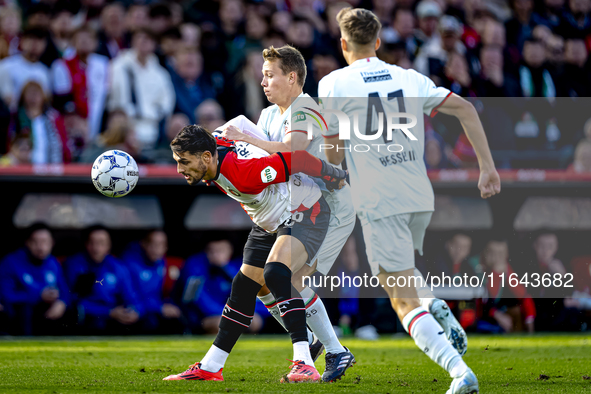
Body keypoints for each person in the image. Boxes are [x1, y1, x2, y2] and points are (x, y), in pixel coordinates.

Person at [319, 8, 501, 393]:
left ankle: (458, 372)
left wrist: (333, 177)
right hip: (418, 195)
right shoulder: (409, 77)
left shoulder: (334, 84)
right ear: (379, 42)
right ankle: (433, 303)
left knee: (399, 297)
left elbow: (333, 149)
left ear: (343, 44)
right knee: (403, 271)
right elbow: (466, 109)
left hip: (379, 198)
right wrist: (487, 169)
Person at [163, 123, 347, 382]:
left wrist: (333, 175)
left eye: (183, 162)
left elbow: (300, 159)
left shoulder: (243, 175)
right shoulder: (214, 143)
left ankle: (305, 362)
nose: (179, 169)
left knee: (277, 273)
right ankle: (211, 366)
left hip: (304, 210)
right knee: (245, 287)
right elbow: (236, 123)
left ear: (206, 157)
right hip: (268, 219)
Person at [221, 44, 356, 382]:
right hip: (292, 209)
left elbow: (292, 151)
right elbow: (264, 160)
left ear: (292, 76)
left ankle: (337, 351)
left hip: (328, 207)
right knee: (266, 282)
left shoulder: (305, 106)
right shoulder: (267, 115)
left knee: (292, 280)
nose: (263, 81)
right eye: (263, 75)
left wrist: (243, 137)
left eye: (270, 75)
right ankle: (310, 341)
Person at [173, 238, 264, 334]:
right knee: (221, 323)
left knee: (255, 321)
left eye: (220, 251)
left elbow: (250, 298)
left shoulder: (234, 268)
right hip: (201, 318)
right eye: (211, 251)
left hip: (230, 314)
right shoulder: (195, 267)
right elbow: (200, 303)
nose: (215, 255)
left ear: (230, 251)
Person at [63, 225, 141, 335]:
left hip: (115, 317)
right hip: (89, 318)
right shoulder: (74, 265)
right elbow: (72, 302)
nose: (96, 248)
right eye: (92, 243)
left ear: (109, 246)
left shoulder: (118, 267)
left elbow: (131, 297)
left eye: (101, 243)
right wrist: (108, 312)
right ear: (86, 244)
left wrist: (133, 311)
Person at [108, 28, 175, 149]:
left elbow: (167, 102)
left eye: (148, 39)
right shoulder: (119, 66)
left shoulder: (160, 73)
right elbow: (113, 98)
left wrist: (154, 113)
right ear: (133, 41)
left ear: (154, 45)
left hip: (152, 126)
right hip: (125, 126)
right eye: (140, 38)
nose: (143, 42)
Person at [0, 223, 70, 335]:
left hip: (48, 314)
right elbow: (6, 296)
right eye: (35, 242)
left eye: (45, 242)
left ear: (52, 243)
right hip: (20, 316)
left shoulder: (53, 263)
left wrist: (62, 302)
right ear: (27, 243)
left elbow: (64, 291)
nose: (40, 247)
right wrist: (39, 296)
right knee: (24, 310)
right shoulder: (10, 262)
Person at [51, 25, 110, 141]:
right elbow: (63, 100)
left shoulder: (103, 64)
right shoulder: (62, 65)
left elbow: (107, 92)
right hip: (74, 124)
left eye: (88, 39)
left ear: (96, 43)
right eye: (80, 39)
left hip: (98, 118)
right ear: (73, 42)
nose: (84, 42)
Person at [121, 230, 183, 334]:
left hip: (154, 309)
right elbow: (131, 296)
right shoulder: (129, 264)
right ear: (144, 244)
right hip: (138, 311)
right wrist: (159, 307)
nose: (157, 249)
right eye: (153, 244)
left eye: (161, 244)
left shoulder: (163, 263)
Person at [11, 81, 71, 164]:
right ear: (23, 97)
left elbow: (63, 144)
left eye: (36, 93)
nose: (33, 97)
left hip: (51, 167)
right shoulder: (17, 118)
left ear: (43, 96)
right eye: (30, 93)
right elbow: (11, 143)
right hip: (23, 168)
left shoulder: (53, 118)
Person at [0, 27, 50, 110]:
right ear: (22, 41)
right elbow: (6, 99)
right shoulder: (6, 66)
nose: (35, 43)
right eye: (31, 39)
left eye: (39, 40)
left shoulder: (44, 72)